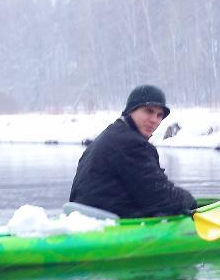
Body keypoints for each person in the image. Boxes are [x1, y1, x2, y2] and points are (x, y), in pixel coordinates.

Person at [68, 85, 197, 219]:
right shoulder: (132, 143)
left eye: (159, 115)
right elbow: (160, 197)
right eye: (149, 111)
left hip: (85, 217)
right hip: (109, 225)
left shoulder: (110, 135)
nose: (154, 120)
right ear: (131, 110)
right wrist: (191, 201)